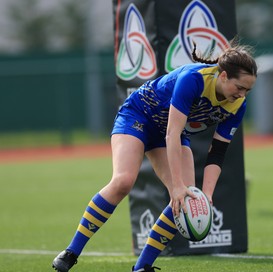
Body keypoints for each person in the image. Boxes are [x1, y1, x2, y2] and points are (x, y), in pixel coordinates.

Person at [52, 41, 257, 272]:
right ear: (223, 76)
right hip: (139, 116)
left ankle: (142, 267)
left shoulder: (238, 105)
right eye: (240, 87)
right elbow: (172, 133)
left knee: (186, 198)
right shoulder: (194, 79)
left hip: (170, 132)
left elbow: (217, 151)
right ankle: (71, 252)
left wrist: (206, 195)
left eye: (248, 90)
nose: (242, 94)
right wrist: (176, 185)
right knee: (123, 182)